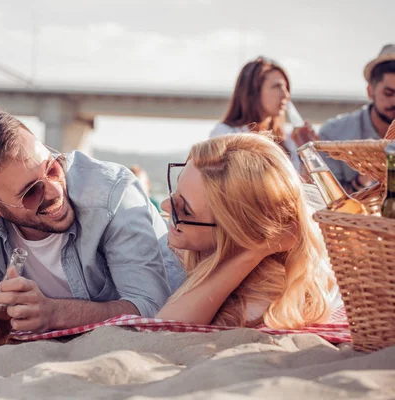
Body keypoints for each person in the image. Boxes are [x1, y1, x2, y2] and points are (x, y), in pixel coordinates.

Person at [0, 106, 175, 340]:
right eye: (31, 192)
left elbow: (151, 309)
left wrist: (55, 313)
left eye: (53, 168)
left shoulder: (112, 194)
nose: (55, 189)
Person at [156, 133, 340, 329]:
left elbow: (165, 327)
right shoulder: (177, 249)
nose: (165, 205)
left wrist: (253, 253)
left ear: (236, 232)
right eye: (175, 190)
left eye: (185, 210)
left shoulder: (266, 291)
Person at [210, 56, 310, 171]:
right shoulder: (225, 134)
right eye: (277, 86)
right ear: (253, 91)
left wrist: (306, 152)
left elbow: (302, 186)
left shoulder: (288, 140)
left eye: (286, 87)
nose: (286, 95)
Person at [317, 44, 395, 192]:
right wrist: (360, 181)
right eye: (388, 93)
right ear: (370, 91)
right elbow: (327, 198)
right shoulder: (333, 134)